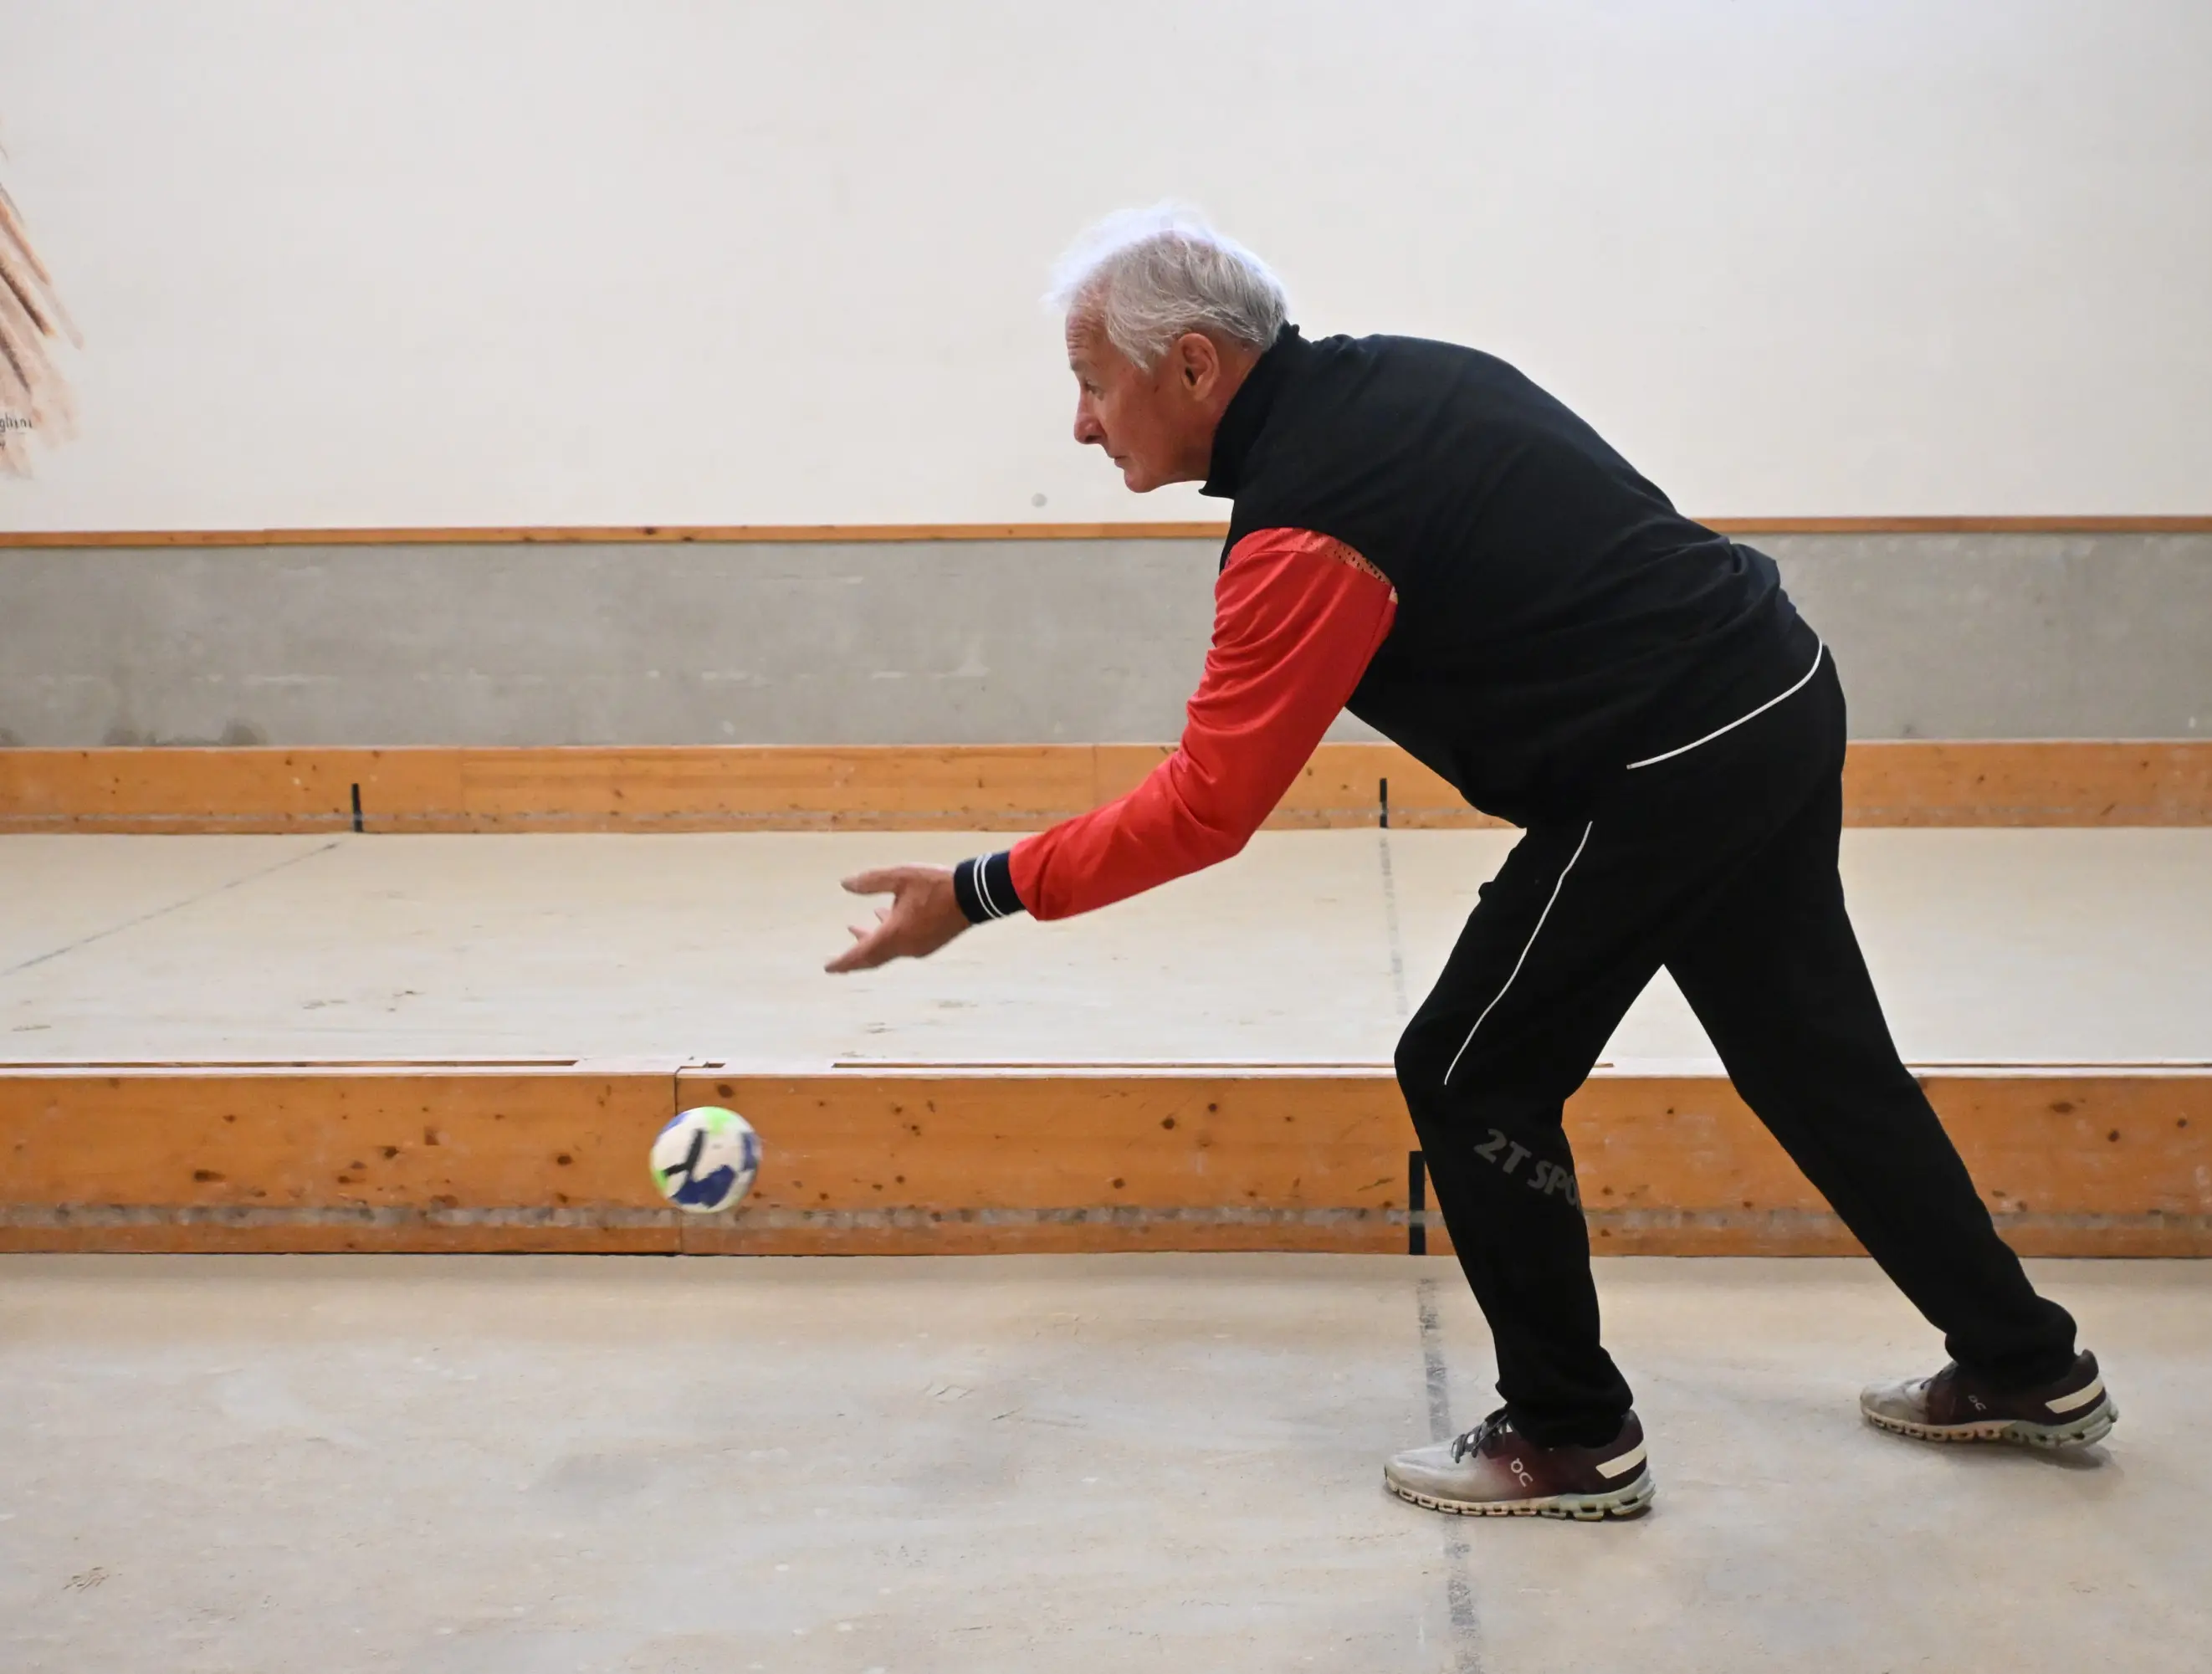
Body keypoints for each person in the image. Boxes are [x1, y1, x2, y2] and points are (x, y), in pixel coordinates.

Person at [827, 207, 2117, 1520]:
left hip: (1668, 757)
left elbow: (1207, 808)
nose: (1085, 426)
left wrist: (975, 893)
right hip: (1772, 684)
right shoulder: (1406, 375)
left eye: (1094, 386)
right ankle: (2025, 1363)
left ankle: (1569, 1434)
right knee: (1813, 1055)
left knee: (1467, 1070)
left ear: (1198, 367)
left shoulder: (1310, 527)